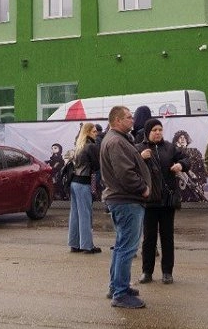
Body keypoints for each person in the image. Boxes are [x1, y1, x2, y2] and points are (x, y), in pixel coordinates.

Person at [100, 106, 153, 308]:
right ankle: (120, 294)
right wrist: (143, 188)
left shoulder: (119, 139)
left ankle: (117, 286)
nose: (133, 120)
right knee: (127, 248)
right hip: (127, 201)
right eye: (129, 117)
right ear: (117, 120)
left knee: (121, 246)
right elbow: (125, 173)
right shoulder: (116, 142)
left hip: (124, 200)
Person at [138, 118, 190, 284]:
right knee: (149, 239)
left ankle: (167, 272)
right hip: (149, 201)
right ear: (148, 132)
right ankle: (147, 272)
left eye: (160, 130)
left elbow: (186, 159)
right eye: (154, 130)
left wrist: (181, 165)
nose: (158, 133)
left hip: (167, 200)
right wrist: (140, 158)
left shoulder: (169, 147)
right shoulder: (139, 148)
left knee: (167, 237)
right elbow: (130, 168)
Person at [67, 123, 102, 254]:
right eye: (94, 131)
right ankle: (87, 246)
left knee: (75, 214)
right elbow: (97, 166)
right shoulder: (91, 146)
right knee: (85, 215)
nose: (96, 133)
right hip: (84, 183)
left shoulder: (79, 145)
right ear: (87, 132)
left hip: (74, 182)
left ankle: (74, 244)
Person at [173, 130, 208, 203]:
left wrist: (201, 180)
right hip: (180, 183)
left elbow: (202, 168)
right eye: (180, 137)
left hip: (194, 183)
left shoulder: (194, 152)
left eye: (184, 138)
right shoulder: (173, 153)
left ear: (187, 140)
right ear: (176, 141)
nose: (182, 139)